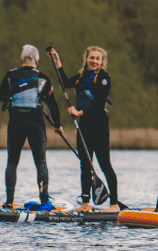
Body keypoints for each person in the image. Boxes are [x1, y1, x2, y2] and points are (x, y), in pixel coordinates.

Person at [50, 45, 124, 213]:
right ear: (87, 59)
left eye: (97, 59)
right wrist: (58, 63)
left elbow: (99, 104)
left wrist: (79, 112)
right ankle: (85, 204)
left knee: (105, 164)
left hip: (99, 126)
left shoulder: (103, 77)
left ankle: (114, 205)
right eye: (91, 58)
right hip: (84, 127)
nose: (94, 61)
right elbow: (66, 82)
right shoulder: (82, 76)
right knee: (85, 165)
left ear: (102, 61)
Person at [0, 44, 63, 208]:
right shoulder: (44, 78)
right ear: (37, 60)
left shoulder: (11, 76)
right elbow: (52, 104)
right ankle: (45, 202)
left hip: (16, 123)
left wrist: (11, 96)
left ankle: (9, 202)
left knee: (12, 161)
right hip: (36, 123)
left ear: (21, 59)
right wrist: (58, 125)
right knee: (40, 162)